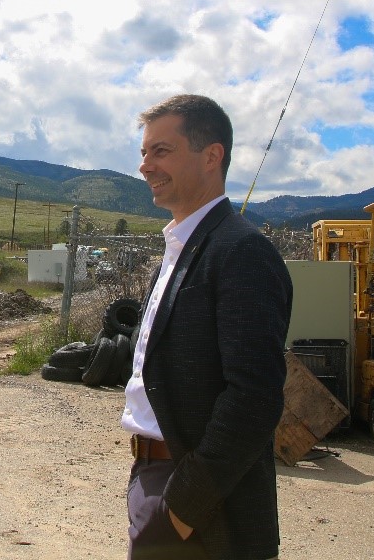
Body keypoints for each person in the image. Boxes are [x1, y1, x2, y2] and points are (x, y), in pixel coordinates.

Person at [121, 94, 292, 560]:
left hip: (205, 507)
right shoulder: (182, 247)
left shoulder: (241, 252)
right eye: (143, 152)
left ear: (211, 155)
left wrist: (183, 507)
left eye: (161, 151)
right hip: (157, 477)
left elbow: (254, 395)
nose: (144, 167)